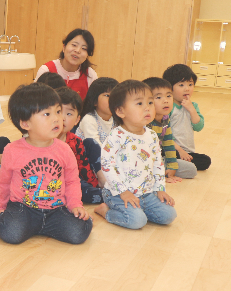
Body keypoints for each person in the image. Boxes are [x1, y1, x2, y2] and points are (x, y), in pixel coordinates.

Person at [0, 83, 92, 245]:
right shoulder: (12, 150)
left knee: (79, 233)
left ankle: (40, 227)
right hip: (23, 208)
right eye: (47, 114)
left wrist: (75, 205)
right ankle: (21, 223)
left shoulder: (65, 150)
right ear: (25, 124)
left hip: (56, 209)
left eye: (58, 112)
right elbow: (4, 183)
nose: (57, 118)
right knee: (11, 233)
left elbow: (72, 181)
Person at [94, 80, 177, 230]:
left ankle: (139, 210)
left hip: (147, 193)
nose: (147, 108)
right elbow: (107, 166)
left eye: (150, 102)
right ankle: (106, 211)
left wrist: (160, 189)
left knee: (169, 215)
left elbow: (158, 164)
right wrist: (123, 192)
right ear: (120, 111)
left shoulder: (152, 135)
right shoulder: (116, 136)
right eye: (139, 104)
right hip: (117, 193)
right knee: (137, 221)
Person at [56, 87, 104, 204]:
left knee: (90, 143)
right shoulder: (45, 141)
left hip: (78, 178)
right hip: (61, 184)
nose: (62, 118)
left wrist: (93, 183)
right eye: (58, 112)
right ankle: (101, 194)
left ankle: (103, 181)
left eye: (68, 114)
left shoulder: (75, 141)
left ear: (77, 120)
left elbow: (84, 166)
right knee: (84, 190)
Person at [143, 77, 197, 181]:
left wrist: (172, 166)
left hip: (157, 159)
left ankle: (161, 171)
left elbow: (168, 144)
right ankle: (156, 175)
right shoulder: (146, 122)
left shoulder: (165, 118)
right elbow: (143, 153)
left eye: (168, 96)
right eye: (158, 97)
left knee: (191, 170)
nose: (166, 101)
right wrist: (159, 175)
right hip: (141, 160)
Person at [163, 64, 211, 171]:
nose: (187, 89)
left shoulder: (193, 106)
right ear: (169, 88)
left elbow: (199, 126)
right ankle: (170, 163)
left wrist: (191, 109)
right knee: (169, 154)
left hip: (187, 151)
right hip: (171, 148)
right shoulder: (168, 107)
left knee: (205, 161)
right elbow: (164, 134)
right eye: (181, 85)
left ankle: (174, 164)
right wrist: (179, 150)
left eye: (190, 84)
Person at [34, 29, 98, 100]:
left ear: (87, 55)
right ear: (64, 47)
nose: (77, 50)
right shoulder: (46, 70)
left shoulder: (90, 75)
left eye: (84, 48)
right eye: (74, 45)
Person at [75, 77, 119, 144]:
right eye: (107, 95)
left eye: (116, 96)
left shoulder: (116, 121)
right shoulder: (89, 120)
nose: (113, 99)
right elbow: (96, 148)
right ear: (95, 101)